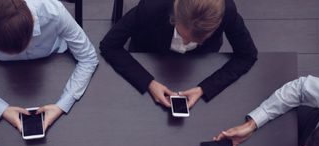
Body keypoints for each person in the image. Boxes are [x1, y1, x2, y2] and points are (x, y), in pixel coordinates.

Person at [0, 0, 98, 132]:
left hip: (53, 61)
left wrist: (62, 105)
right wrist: (0, 109)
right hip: (0, 73)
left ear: (33, 20)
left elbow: (89, 57)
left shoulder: (54, 11)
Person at [100, 0, 257, 111]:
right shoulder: (152, 6)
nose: (185, 43)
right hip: (150, 55)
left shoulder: (227, 10)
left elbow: (247, 55)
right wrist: (148, 82)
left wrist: (204, 88)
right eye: (182, 35)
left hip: (200, 65)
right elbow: (109, 45)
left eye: (195, 40)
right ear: (174, 15)